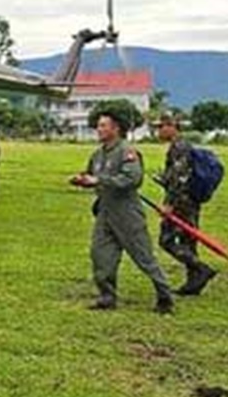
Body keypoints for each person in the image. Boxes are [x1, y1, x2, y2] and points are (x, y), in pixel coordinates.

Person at [70, 108, 174, 314]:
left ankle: (165, 296)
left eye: (103, 126)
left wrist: (99, 180)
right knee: (100, 255)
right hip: (105, 212)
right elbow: (92, 175)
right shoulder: (98, 154)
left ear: (116, 129)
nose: (98, 129)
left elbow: (132, 179)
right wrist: (83, 180)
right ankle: (107, 297)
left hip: (127, 213)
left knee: (143, 257)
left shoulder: (127, 152)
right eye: (98, 125)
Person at [153, 114, 217, 296]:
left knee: (166, 240)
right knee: (189, 241)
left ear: (172, 126)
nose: (159, 131)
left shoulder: (179, 147)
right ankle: (194, 283)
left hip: (182, 202)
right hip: (191, 200)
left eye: (161, 127)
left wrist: (169, 204)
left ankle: (201, 268)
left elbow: (180, 178)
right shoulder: (182, 146)